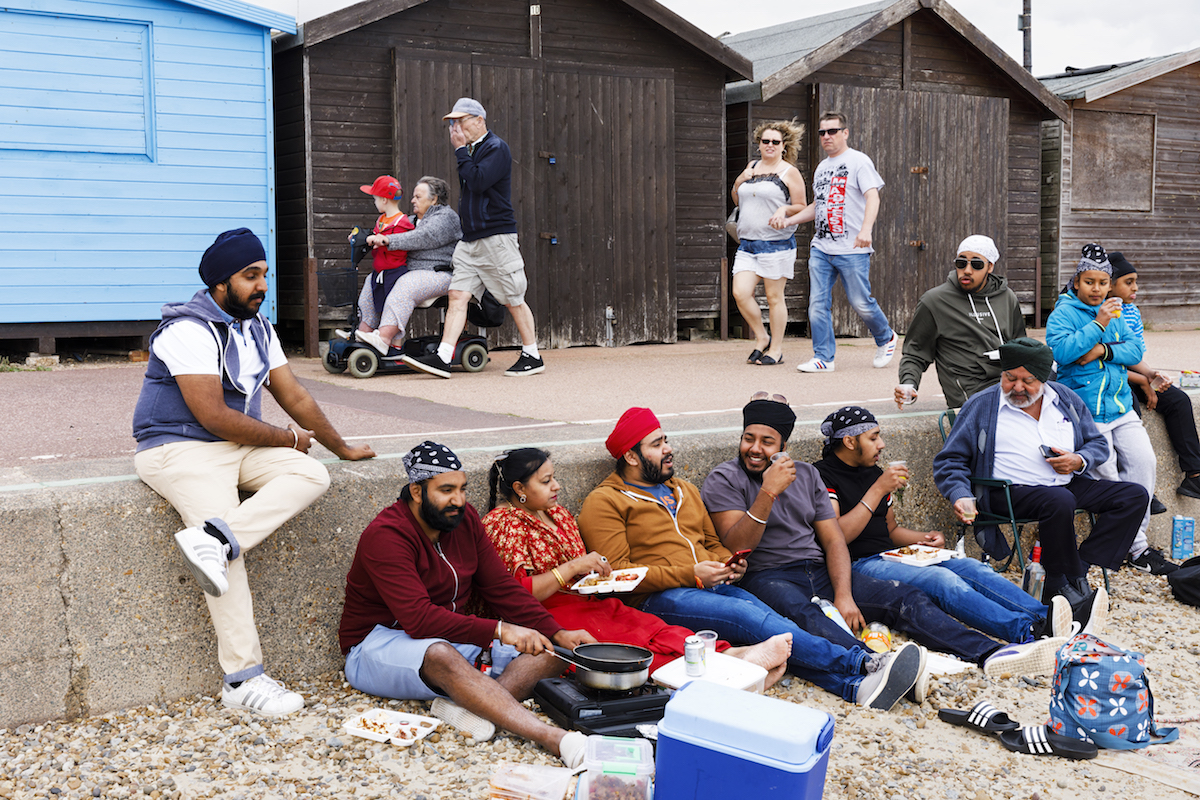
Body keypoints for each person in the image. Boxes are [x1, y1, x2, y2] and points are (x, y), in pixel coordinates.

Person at [132, 228, 376, 716]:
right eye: (250, 276)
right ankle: (242, 680)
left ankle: (216, 538)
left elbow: (295, 397)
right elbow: (212, 415)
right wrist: (288, 439)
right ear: (221, 283)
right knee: (231, 560)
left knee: (312, 475)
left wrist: (340, 447)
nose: (262, 285)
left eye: (264, 274)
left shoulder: (258, 327)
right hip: (179, 448)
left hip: (235, 445)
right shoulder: (189, 330)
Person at [578, 407, 925, 712]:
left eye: (665, 439)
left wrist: (729, 564)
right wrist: (693, 573)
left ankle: (855, 687)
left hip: (711, 584)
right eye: (656, 444)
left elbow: (713, 543)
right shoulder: (605, 501)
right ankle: (865, 662)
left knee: (773, 630)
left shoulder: (683, 489)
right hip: (659, 598)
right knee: (753, 618)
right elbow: (619, 576)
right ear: (632, 457)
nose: (668, 448)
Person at [701, 395, 1060, 689]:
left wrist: (843, 594)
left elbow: (833, 540)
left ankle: (989, 652)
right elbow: (736, 545)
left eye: (767, 442)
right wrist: (768, 492)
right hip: (768, 574)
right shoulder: (725, 478)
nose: (755, 449)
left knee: (906, 598)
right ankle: (874, 667)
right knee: (804, 616)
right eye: (749, 438)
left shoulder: (806, 474)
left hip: (819, 567)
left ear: (782, 446)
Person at [338, 442, 592, 767]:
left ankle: (469, 705)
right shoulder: (386, 535)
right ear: (416, 491)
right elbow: (418, 619)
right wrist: (500, 630)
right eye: (446, 490)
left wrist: (557, 633)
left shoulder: (465, 518)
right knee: (440, 654)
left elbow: (500, 587)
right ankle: (555, 739)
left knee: (551, 653)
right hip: (376, 643)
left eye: (462, 489)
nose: (458, 500)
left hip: (449, 637)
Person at [482, 448, 792, 684]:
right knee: (619, 644)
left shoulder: (558, 514)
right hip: (545, 612)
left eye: (555, 478)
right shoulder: (502, 523)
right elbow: (517, 595)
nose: (557, 486)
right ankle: (716, 674)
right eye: (546, 481)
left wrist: (595, 572)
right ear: (520, 489)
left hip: (585, 598)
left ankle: (730, 656)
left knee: (646, 625)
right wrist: (575, 566)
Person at [813, 406, 1073, 644]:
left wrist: (922, 538)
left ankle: (1049, 619)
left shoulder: (873, 472)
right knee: (943, 580)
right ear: (849, 441)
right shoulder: (823, 476)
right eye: (873, 437)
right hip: (859, 564)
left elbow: (890, 531)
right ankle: (1024, 631)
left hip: (891, 556)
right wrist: (877, 490)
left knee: (972, 568)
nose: (881, 444)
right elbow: (837, 537)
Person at [933, 337, 1147, 618]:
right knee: (1058, 500)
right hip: (1006, 492)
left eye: (1028, 380)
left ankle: (1079, 568)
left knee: (1133, 495)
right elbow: (949, 460)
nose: (1018, 387)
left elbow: (1097, 445)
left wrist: (1077, 460)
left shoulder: (1065, 399)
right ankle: (1057, 585)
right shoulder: (982, 406)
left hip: (1065, 485)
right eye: (1010, 378)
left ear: (1044, 379)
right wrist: (960, 494)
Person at [1046, 244, 1175, 575]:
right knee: (1110, 477)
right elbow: (1062, 352)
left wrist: (1101, 349)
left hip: (1120, 407)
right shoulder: (1063, 313)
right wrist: (1098, 325)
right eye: (1090, 282)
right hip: (1085, 412)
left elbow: (1133, 348)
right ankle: (1131, 547)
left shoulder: (1115, 309)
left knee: (1144, 463)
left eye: (1103, 283)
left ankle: (1136, 543)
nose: (1097, 289)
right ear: (1076, 282)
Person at [403, 98, 543, 378]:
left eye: (461, 121)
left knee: (513, 297)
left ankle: (532, 354)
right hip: (470, 241)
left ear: (479, 121)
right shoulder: (470, 151)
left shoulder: (496, 148)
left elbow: (478, 181)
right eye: (453, 123)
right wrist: (462, 152)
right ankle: (443, 357)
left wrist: (459, 152)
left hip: (496, 237)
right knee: (457, 294)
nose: (456, 128)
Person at [775, 112, 897, 374]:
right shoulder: (822, 167)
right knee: (817, 303)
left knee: (860, 302)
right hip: (821, 248)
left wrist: (866, 230)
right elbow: (818, 206)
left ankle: (886, 337)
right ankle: (823, 358)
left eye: (832, 131)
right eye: (822, 133)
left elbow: (872, 197)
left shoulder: (859, 162)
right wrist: (790, 220)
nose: (826, 137)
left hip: (852, 248)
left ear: (845, 133)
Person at [1106, 252, 1200, 503]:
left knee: (1178, 400)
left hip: (1134, 374)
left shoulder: (1132, 312)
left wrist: (1152, 377)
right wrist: (1143, 383)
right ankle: (1137, 488)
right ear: (1109, 284)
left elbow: (1135, 355)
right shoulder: (1100, 313)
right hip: (1106, 378)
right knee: (1130, 408)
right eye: (1128, 282)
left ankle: (1195, 474)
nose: (1135, 287)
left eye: (1136, 281)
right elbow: (1102, 364)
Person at [894, 235, 1026, 409]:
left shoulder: (1007, 297)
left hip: (1012, 385)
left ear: (990, 267)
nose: (967, 270)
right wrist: (908, 384)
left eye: (976, 264)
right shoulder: (935, 301)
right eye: (961, 263)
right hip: (970, 396)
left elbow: (1021, 344)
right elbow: (915, 352)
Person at [344, 176, 464, 355]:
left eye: (418, 197)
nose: (412, 200)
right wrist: (363, 238)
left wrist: (387, 240)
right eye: (413, 196)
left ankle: (384, 338)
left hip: (440, 274)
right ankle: (364, 332)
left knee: (406, 284)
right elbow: (388, 231)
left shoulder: (446, 217)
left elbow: (422, 237)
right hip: (411, 272)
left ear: (434, 199)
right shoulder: (411, 220)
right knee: (373, 279)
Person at [729, 119, 807, 366]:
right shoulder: (751, 166)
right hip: (747, 244)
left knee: (774, 298)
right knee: (740, 293)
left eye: (775, 142)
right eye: (766, 141)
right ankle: (761, 337)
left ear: (783, 146)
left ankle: (776, 349)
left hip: (776, 244)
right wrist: (740, 178)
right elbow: (737, 199)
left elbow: (801, 207)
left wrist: (784, 209)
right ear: (759, 144)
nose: (770, 145)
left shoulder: (789, 172)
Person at [345, 175, 415, 355]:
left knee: (391, 308)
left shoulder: (403, 223)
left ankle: (395, 346)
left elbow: (403, 242)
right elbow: (375, 239)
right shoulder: (382, 220)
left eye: (375, 199)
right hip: (380, 271)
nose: (375, 202)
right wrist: (361, 239)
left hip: (394, 272)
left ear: (384, 199)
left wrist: (380, 240)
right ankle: (367, 336)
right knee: (376, 303)